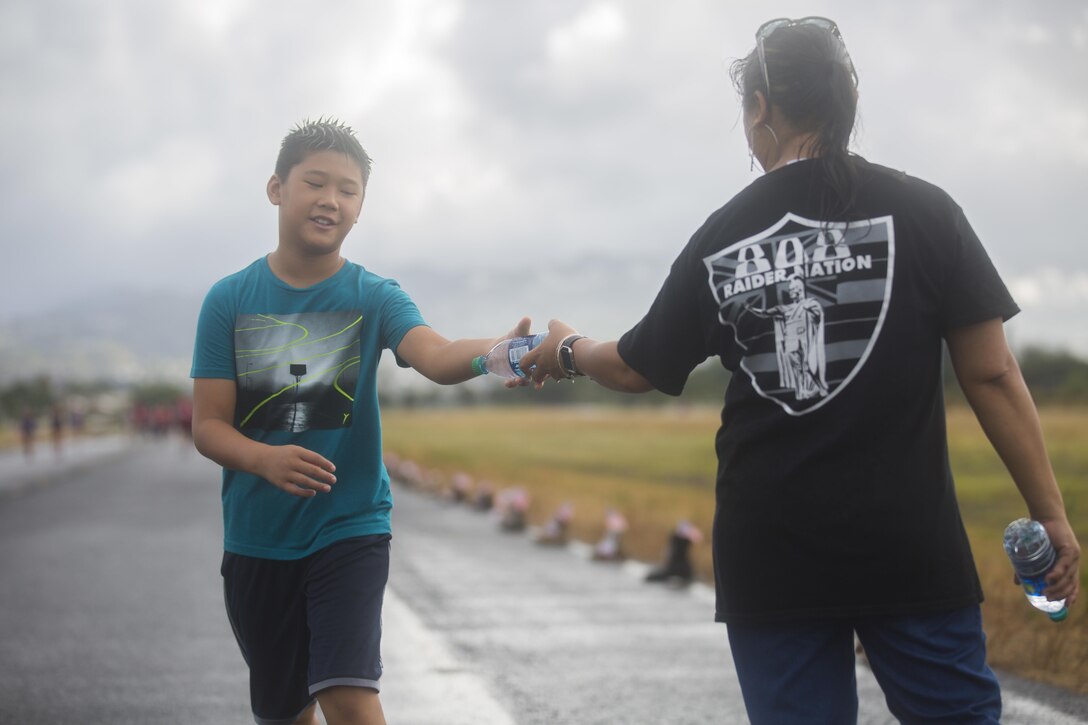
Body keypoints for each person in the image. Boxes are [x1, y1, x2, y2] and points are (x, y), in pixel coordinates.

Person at [521, 17, 1081, 725]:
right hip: (909, 546)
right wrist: (1051, 512)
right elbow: (993, 374)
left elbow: (635, 365)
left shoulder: (725, 231)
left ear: (760, 108)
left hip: (772, 552)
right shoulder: (927, 211)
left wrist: (568, 348)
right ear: (844, 98)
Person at [191, 118, 529, 725]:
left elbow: (433, 352)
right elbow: (208, 426)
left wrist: (490, 355)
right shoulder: (230, 299)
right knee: (286, 712)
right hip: (257, 539)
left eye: (347, 190)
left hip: (349, 526)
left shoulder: (374, 295)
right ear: (276, 188)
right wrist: (264, 459)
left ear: (360, 207)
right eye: (315, 183)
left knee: (348, 694)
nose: (331, 200)